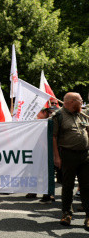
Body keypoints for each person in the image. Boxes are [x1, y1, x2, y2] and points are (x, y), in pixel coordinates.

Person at [52, 92, 89, 229]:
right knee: (67, 186)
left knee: (86, 186)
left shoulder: (82, 114)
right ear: (72, 102)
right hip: (67, 155)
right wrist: (57, 157)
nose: (82, 103)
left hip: (85, 155)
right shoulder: (58, 116)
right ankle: (66, 213)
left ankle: (88, 216)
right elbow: (53, 137)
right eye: (80, 101)